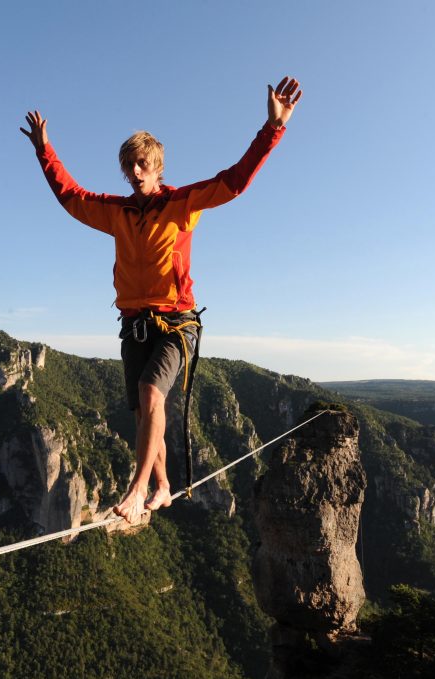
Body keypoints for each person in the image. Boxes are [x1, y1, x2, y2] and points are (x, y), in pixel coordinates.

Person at [21, 77, 302, 523]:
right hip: (133, 326)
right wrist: (44, 150)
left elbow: (234, 182)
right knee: (143, 416)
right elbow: (71, 198)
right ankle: (164, 487)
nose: (134, 174)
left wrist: (273, 129)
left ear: (157, 168)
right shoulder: (118, 213)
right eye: (128, 166)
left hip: (177, 324)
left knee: (152, 394)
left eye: (142, 165)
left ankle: (136, 492)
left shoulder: (182, 204)